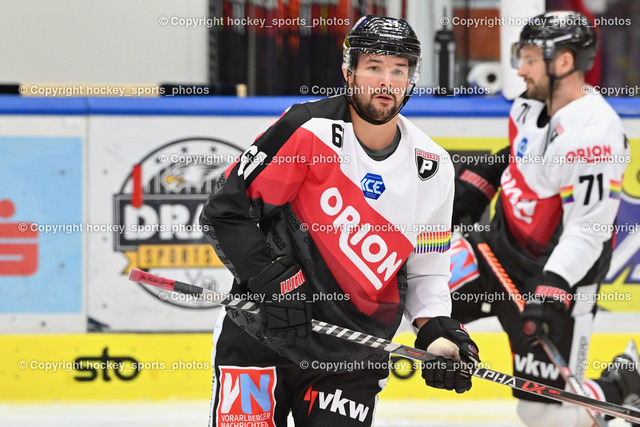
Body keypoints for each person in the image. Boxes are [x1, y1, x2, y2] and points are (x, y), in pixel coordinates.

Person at [200, 15, 480, 427]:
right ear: (348, 72)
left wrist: (437, 331)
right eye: (374, 67)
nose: (386, 82)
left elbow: (426, 274)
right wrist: (268, 277)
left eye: (398, 70)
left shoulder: (433, 166)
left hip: (352, 356)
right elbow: (225, 212)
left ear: (411, 78)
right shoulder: (307, 129)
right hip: (261, 336)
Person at [449, 10, 637, 427]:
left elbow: (589, 229)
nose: (519, 68)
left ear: (564, 62)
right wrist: (474, 187)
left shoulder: (595, 135)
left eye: (530, 58)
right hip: (495, 250)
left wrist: (551, 291)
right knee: (410, 290)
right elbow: (519, 159)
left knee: (545, 417)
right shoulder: (529, 104)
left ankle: (623, 380)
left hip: (551, 280)